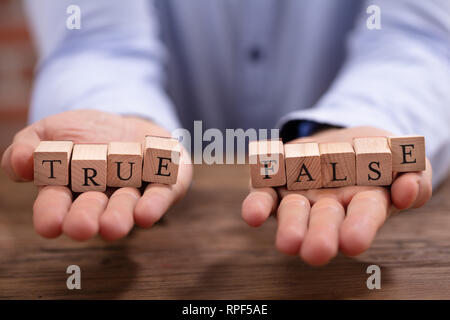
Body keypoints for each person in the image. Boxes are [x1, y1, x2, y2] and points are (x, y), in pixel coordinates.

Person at [1, 0, 448, 266]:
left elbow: (419, 37)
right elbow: (93, 38)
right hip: (173, 228)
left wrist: (362, 118)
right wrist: (115, 111)